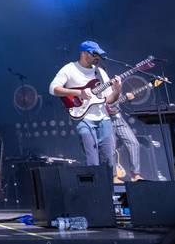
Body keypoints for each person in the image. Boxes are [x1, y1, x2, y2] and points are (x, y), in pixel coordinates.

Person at [49, 41, 121, 173]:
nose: (97, 57)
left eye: (99, 55)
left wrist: (117, 91)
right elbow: (53, 89)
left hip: (104, 118)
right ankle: (94, 192)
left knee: (109, 161)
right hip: (83, 118)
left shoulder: (100, 72)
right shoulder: (69, 69)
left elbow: (109, 101)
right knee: (92, 160)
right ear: (83, 53)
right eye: (94, 54)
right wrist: (78, 92)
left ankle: (109, 192)